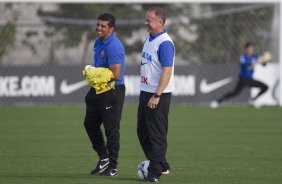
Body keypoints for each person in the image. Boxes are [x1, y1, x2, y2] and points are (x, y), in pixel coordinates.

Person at [84, 13, 125, 177]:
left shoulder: (114, 46)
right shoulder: (97, 42)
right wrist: (92, 73)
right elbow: (100, 67)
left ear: (111, 28)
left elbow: (115, 73)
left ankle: (113, 167)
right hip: (97, 90)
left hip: (111, 91)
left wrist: (97, 74)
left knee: (111, 130)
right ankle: (104, 157)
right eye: (98, 25)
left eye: (103, 26)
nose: (99, 28)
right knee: (90, 124)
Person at [137, 7, 175, 182]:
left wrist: (157, 95)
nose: (146, 23)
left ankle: (153, 174)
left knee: (157, 134)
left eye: (149, 20)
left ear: (160, 22)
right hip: (145, 92)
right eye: (146, 19)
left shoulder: (165, 43)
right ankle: (162, 164)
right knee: (142, 132)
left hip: (157, 95)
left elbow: (167, 72)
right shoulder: (149, 38)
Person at [210, 42, 268, 108]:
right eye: (250, 48)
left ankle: (253, 100)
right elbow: (244, 64)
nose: (251, 50)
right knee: (235, 93)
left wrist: (265, 60)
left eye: (252, 48)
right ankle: (217, 101)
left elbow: (264, 64)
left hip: (250, 79)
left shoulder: (255, 56)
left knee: (265, 87)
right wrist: (255, 61)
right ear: (246, 49)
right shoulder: (243, 57)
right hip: (243, 79)